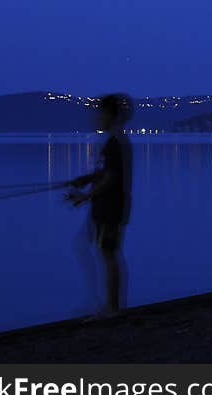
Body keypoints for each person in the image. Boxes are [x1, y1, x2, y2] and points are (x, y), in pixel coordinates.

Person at [66, 94, 133, 317]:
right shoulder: (114, 141)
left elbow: (111, 178)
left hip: (110, 208)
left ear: (110, 115)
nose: (96, 118)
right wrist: (85, 179)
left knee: (108, 253)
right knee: (101, 251)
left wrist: (84, 196)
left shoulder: (114, 141)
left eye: (100, 113)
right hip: (106, 207)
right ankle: (104, 303)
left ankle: (111, 307)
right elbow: (105, 173)